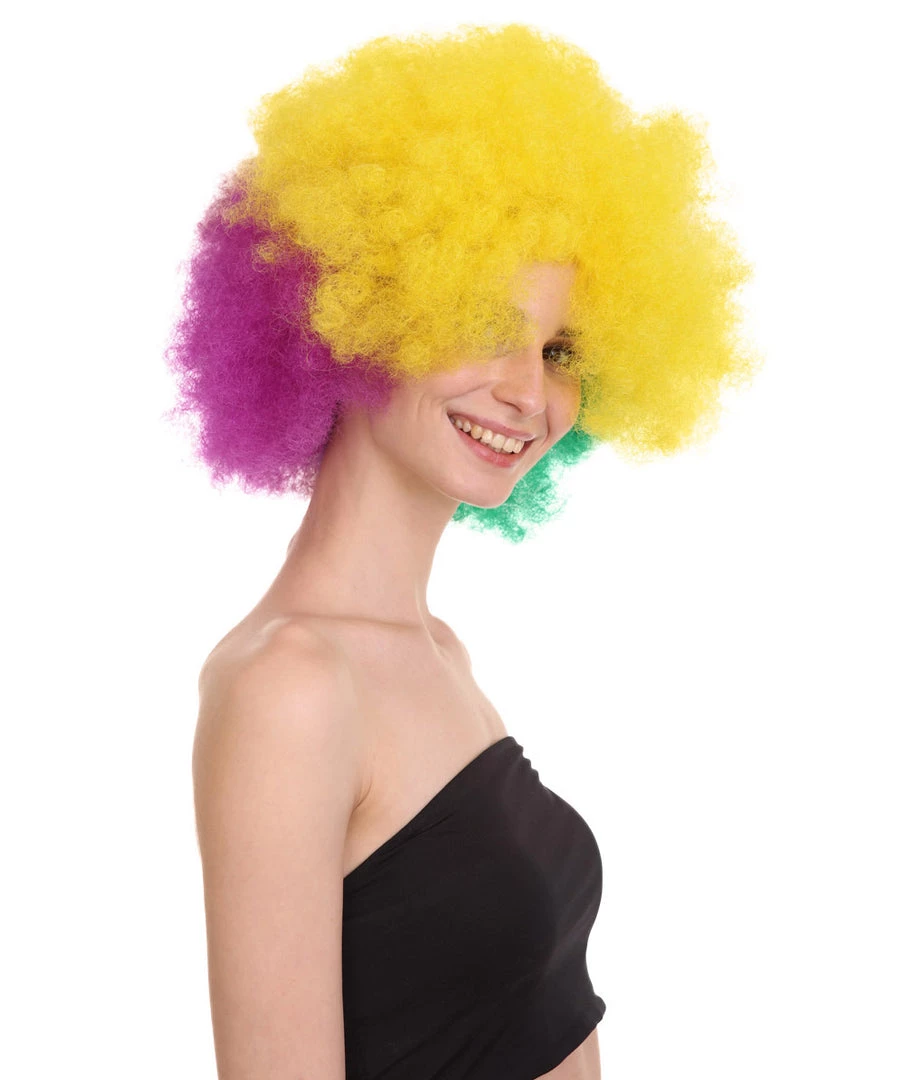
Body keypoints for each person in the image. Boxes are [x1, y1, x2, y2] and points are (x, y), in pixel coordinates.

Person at [164, 22, 760, 1080]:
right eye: (481, 323)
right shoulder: (289, 684)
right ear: (355, 319)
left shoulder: (438, 652)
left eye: (559, 350)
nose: (528, 393)